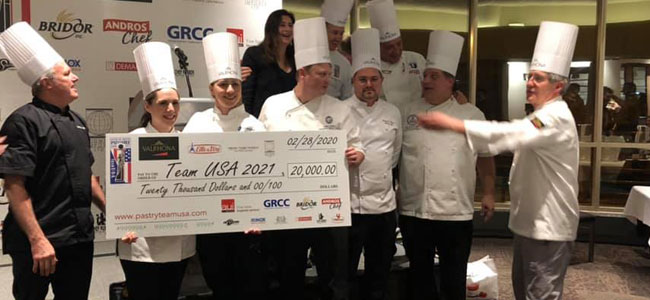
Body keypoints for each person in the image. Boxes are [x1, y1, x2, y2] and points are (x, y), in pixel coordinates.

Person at [417, 21, 580, 300]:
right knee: (524, 291)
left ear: (559, 87)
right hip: (531, 224)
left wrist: (454, 124)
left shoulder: (554, 117)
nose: (530, 82)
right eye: (530, 76)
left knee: (541, 295)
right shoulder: (541, 115)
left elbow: (511, 134)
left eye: (539, 78)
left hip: (548, 227)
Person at [258, 17, 364, 300]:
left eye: (329, 73)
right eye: (321, 74)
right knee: (288, 273)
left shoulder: (340, 109)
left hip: (329, 209)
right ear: (302, 73)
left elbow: (357, 145)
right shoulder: (274, 105)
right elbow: (258, 150)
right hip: (285, 208)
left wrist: (357, 154)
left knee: (333, 276)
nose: (328, 80)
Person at [0, 22, 106, 300]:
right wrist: (38, 240)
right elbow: (14, 185)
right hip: (39, 241)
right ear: (46, 83)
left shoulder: (79, 122)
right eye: (68, 74)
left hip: (79, 238)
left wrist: (115, 212)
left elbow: (87, 177)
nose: (76, 78)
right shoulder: (22, 121)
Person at [398, 30, 496, 300]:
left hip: (455, 213)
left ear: (451, 82)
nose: (427, 80)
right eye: (426, 75)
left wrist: (488, 193)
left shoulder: (472, 115)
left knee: (453, 279)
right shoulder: (407, 111)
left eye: (434, 76)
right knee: (419, 278)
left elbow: (486, 159)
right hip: (414, 211)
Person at [183, 32, 267, 300]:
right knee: (218, 285)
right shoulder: (197, 123)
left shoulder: (256, 125)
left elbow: (267, 178)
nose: (229, 90)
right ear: (211, 88)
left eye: (234, 84)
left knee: (248, 286)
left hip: (247, 225)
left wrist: (259, 216)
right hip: (210, 225)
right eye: (223, 84)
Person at [118, 42, 195, 300]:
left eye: (175, 103)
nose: (171, 110)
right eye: (163, 103)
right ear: (148, 106)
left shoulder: (189, 143)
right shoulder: (128, 142)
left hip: (178, 241)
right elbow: (119, 188)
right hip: (139, 242)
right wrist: (121, 224)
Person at [344, 28, 401, 300]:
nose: (369, 84)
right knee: (343, 274)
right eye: (363, 79)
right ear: (354, 81)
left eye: (374, 79)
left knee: (379, 274)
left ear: (381, 81)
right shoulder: (339, 110)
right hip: (349, 209)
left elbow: (395, 154)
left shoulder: (393, 112)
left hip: (384, 209)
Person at [367, 0, 425, 107]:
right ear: (378, 46)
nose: (397, 50)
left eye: (399, 44)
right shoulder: (370, 65)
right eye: (389, 47)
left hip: (415, 118)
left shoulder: (416, 59)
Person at [242, 9, 297, 118]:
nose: (288, 29)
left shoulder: (296, 58)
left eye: (290, 25)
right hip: (261, 122)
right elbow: (247, 95)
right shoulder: (254, 54)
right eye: (282, 25)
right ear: (272, 29)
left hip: (291, 122)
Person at [321, 0, 354, 100]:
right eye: (335, 33)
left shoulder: (344, 63)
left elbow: (347, 96)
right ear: (323, 29)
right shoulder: (309, 54)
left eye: (341, 33)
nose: (338, 38)